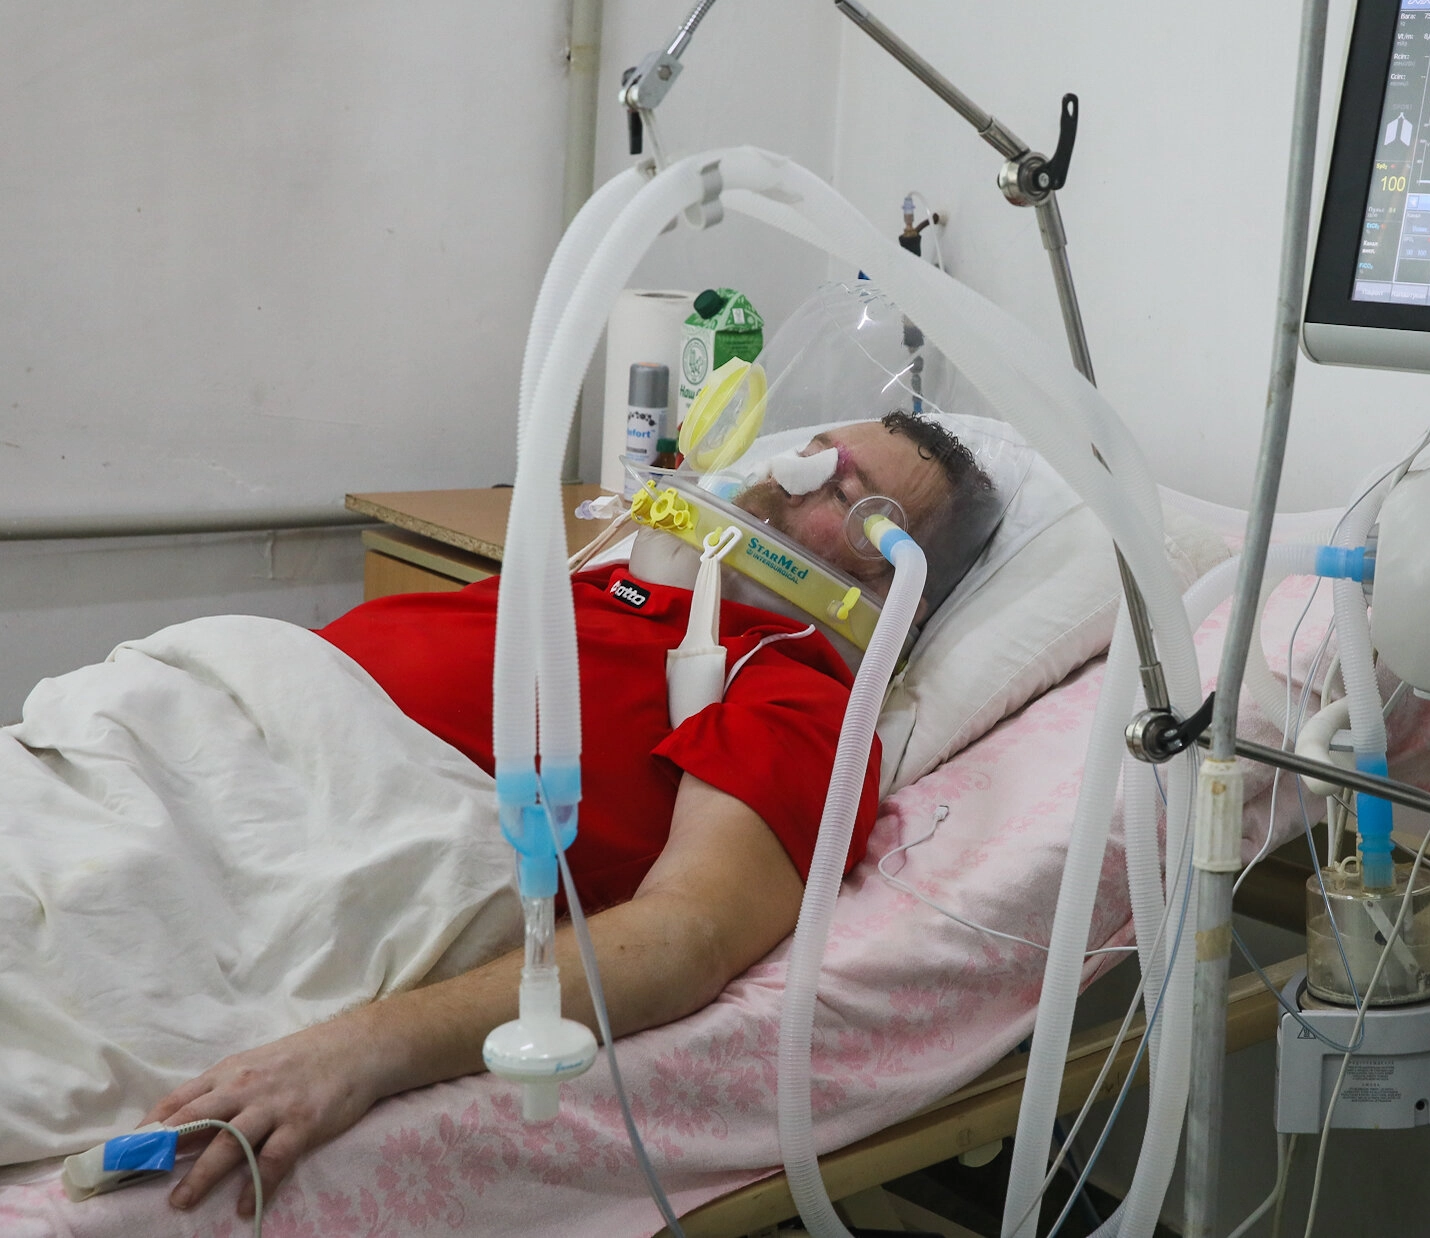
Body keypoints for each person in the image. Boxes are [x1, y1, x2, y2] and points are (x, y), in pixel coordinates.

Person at [138, 411, 1000, 1221]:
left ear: (893, 584)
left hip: (291, 828)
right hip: (187, 724)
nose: (795, 472)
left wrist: (363, 1049)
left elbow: (686, 934)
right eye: (816, 448)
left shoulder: (793, 692)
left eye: (843, 494)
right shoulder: (623, 580)